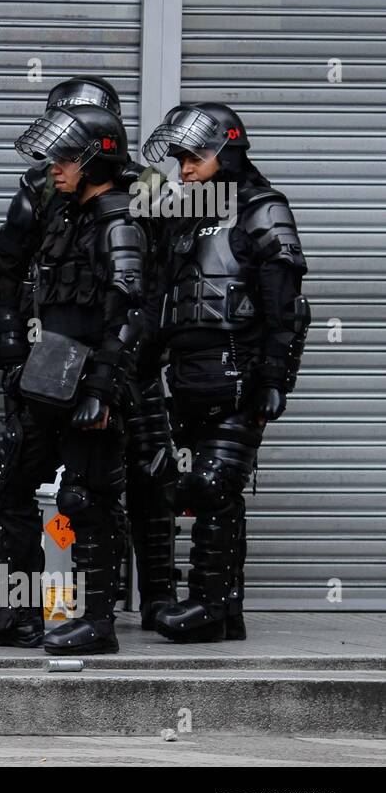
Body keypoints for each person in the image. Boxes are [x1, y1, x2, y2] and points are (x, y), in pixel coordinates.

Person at [0, 76, 177, 644]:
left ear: (94, 160)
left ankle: (98, 622)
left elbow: (132, 312)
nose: (52, 167)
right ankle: (17, 611)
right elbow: (9, 274)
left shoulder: (122, 220)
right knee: (0, 487)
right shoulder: (62, 212)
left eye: (63, 157)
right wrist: (15, 360)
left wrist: (103, 391)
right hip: (47, 374)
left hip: (94, 383)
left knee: (87, 499)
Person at [142, 102, 310, 642]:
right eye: (179, 159)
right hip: (187, 382)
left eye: (192, 157)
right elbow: (165, 299)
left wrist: (273, 381)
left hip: (239, 379)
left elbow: (285, 308)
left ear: (226, 150)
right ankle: (224, 611)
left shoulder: (263, 208)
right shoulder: (186, 214)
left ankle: (209, 609)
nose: (183, 169)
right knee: (197, 490)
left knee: (214, 487)